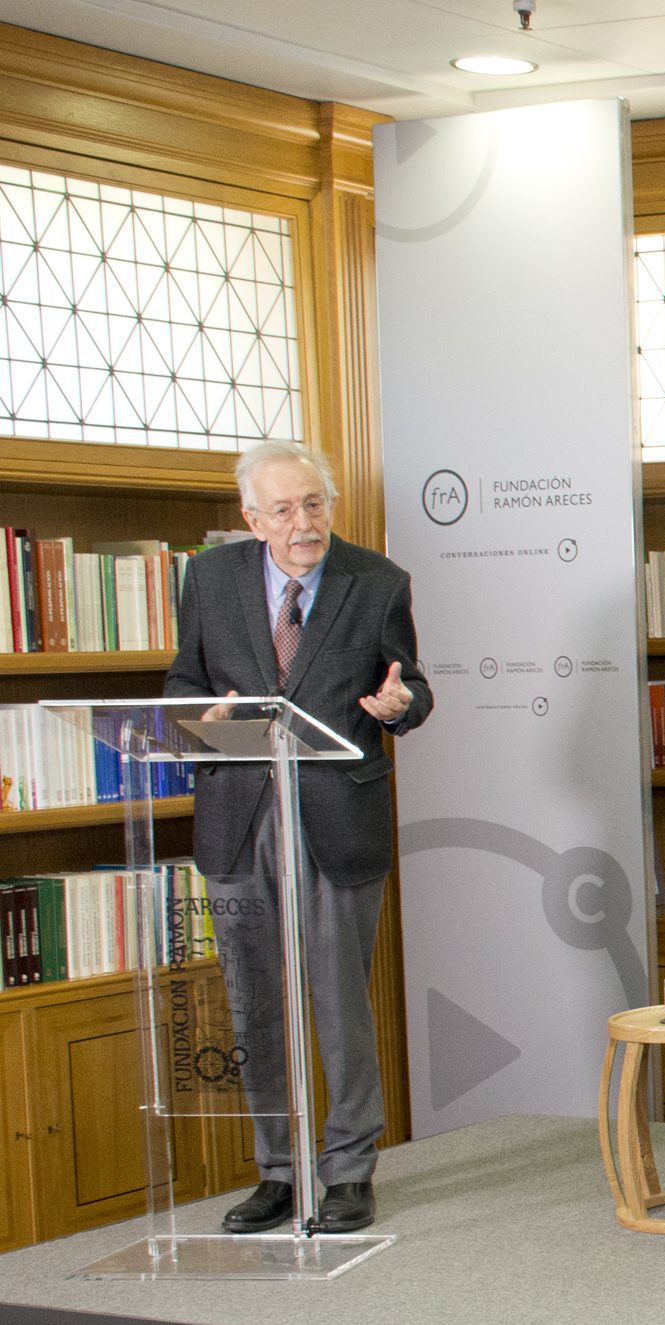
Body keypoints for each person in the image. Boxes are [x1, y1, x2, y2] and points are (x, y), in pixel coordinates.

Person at [165, 440, 431, 1235]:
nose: (302, 522)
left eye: (314, 504)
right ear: (252, 519)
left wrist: (399, 706)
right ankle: (277, 1172)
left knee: (339, 1002)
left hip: (336, 818)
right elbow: (184, 680)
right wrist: (201, 716)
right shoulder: (209, 579)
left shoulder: (376, 580)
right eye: (282, 509)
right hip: (239, 815)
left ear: (330, 505)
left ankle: (347, 1171)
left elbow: (409, 685)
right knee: (254, 1005)